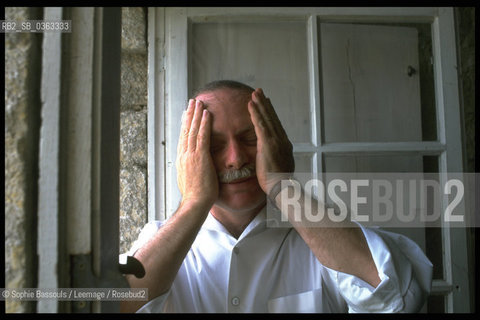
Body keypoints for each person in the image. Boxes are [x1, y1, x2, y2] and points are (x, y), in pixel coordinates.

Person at [121, 80, 432, 313]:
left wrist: (282, 185)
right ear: (192, 157)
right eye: (214, 147)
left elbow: (402, 299)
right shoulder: (158, 240)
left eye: (249, 139)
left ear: (276, 142)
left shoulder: (322, 237)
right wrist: (192, 203)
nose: (235, 158)